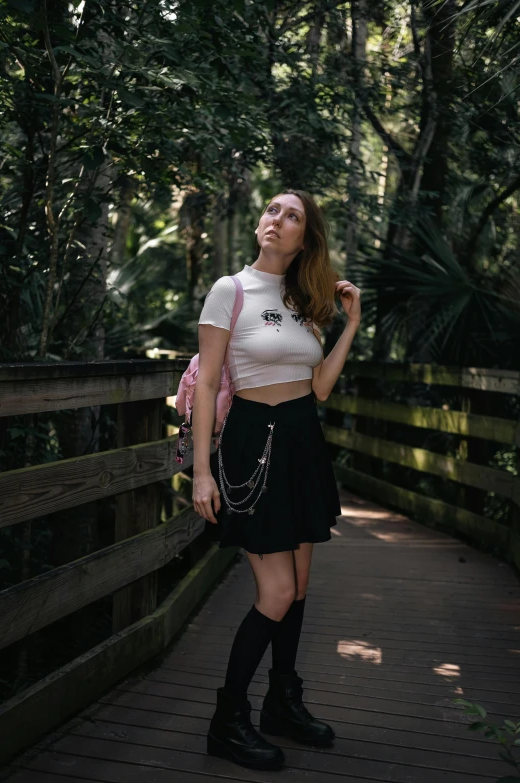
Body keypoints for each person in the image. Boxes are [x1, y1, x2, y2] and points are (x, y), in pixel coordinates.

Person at [192, 189, 361, 771]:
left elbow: (317, 388)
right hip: (252, 443)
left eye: (292, 216)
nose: (276, 220)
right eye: (272, 209)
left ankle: (282, 704)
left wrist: (350, 325)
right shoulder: (230, 290)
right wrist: (201, 472)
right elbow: (210, 385)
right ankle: (227, 719)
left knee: (301, 588)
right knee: (277, 593)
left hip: (302, 443)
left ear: (305, 237)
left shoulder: (303, 301)